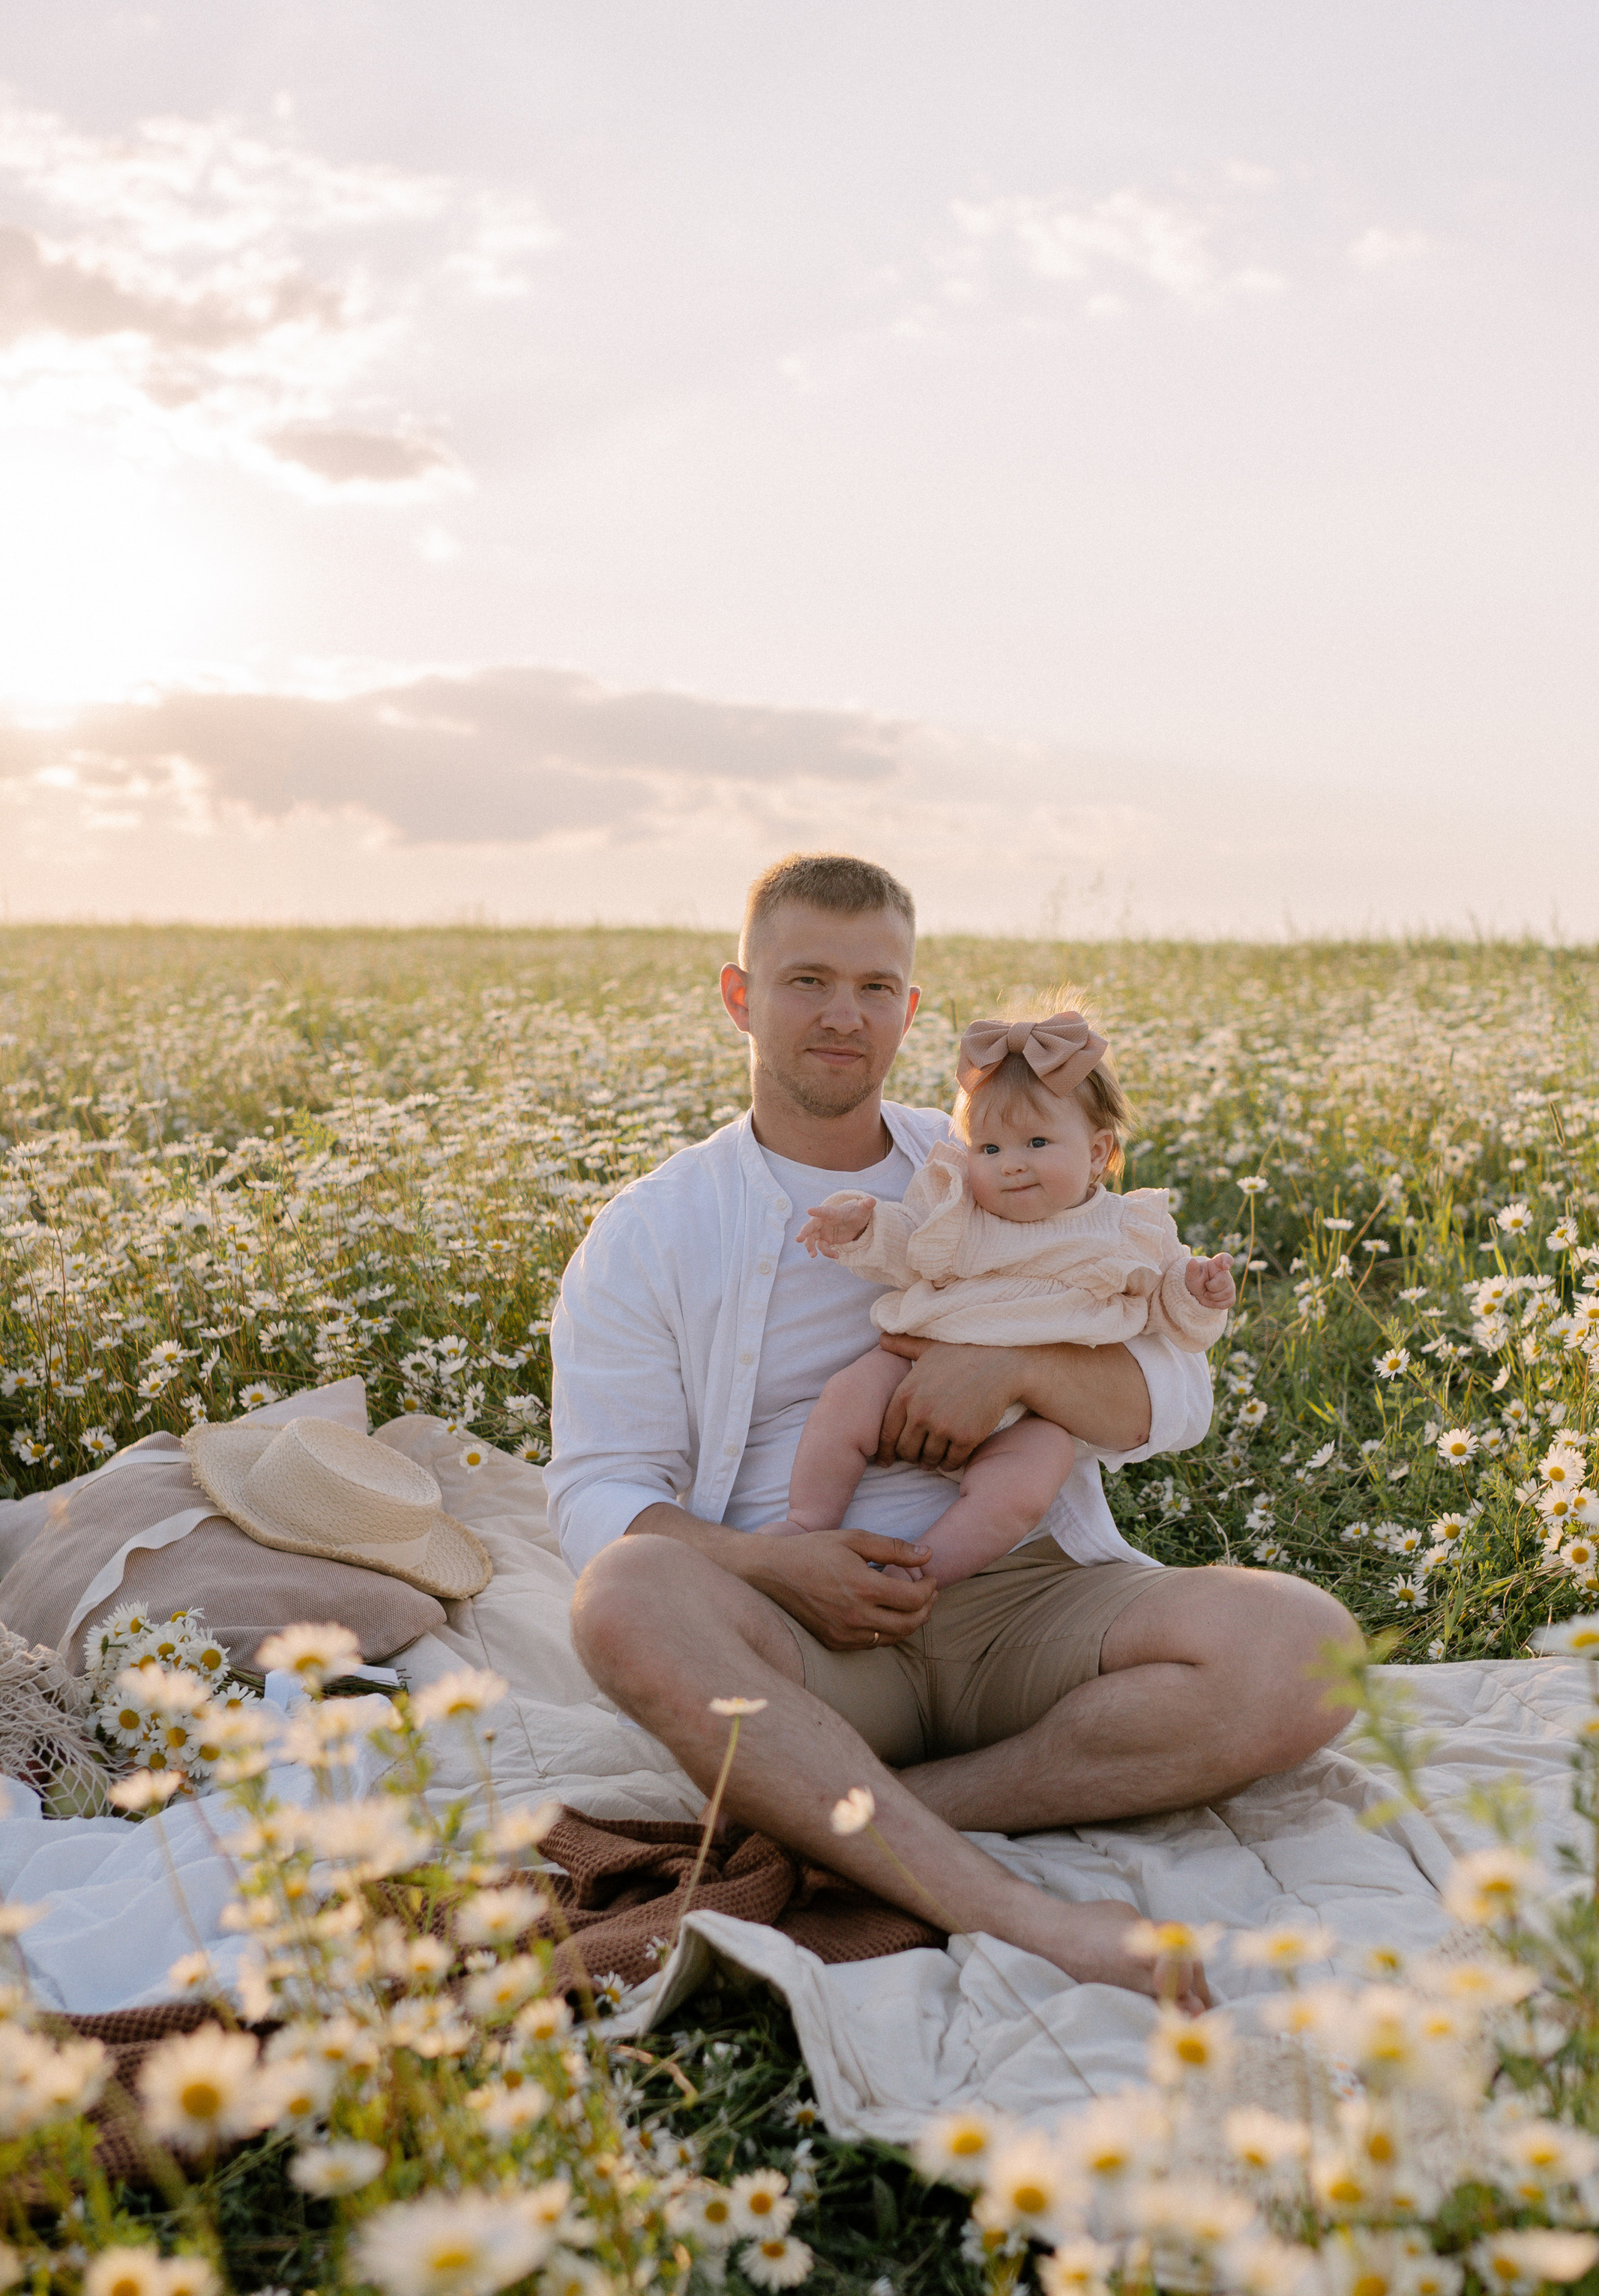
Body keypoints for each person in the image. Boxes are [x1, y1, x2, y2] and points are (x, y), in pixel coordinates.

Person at [549, 853, 1355, 2010]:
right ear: (740, 996)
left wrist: (1015, 1369)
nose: (844, 1015)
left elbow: (1172, 1398)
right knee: (625, 1592)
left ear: (912, 1009)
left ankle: (864, 1816)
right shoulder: (650, 1231)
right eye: (807, 981)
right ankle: (1021, 1914)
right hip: (809, 1641)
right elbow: (596, 1491)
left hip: (1018, 1595)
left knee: (1307, 1647)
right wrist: (778, 1561)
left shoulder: (993, 1158)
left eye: (877, 987)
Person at [768, 1002, 1235, 1588]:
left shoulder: (1127, 1230)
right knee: (846, 1398)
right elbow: (910, 1249)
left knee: (1029, 1480)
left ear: (1097, 1153)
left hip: (1035, 1412)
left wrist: (1196, 1290)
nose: (1010, 1165)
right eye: (989, 1149)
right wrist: (863, 1228)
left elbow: (1165, 1309)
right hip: (917, 1359)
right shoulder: (959, 1207)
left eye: (1037, 1143)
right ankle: (808, 1523)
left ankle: (920, 1572)